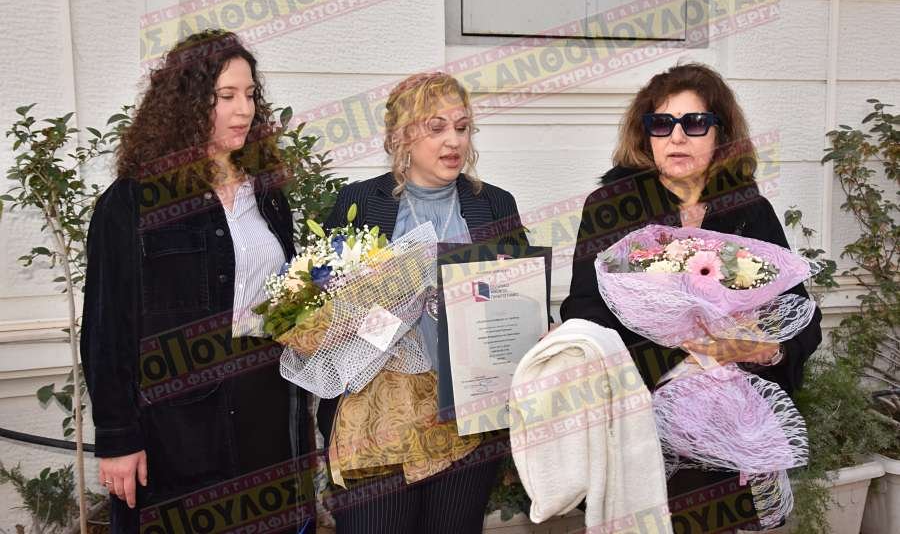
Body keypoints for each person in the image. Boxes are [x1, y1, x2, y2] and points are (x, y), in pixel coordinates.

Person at [559, 62, 822, 532]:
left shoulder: (750, 209)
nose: (677, 137)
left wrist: (764, 349)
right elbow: (583, 307)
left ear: (720, 133)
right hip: (641, 415)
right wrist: (680, 355)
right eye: (662, 123)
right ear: (646, 136)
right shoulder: (612, 206)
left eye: (694, 123)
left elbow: (800, 315)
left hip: (732, 422)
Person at [81, 30, 315, 533]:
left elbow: (283, 299)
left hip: (266, 410)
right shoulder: (133, 201)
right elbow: (106, 330)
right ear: (186, 104)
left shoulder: (267, 195)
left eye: (249, 94)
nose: (244, 110)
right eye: (225, 96)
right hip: (176, 427)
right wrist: (118, 439)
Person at [318, 72, 527, 533]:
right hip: (375, 415)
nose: (454, 141)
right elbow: (326, 311)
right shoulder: (360, 202)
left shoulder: (494, 205)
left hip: (467, 416)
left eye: (462, 127)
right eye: (436, 128)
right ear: (401, 136)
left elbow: (517, 302)